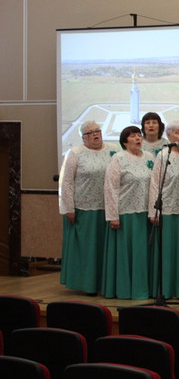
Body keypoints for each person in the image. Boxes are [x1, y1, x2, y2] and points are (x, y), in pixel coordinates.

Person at [59, 121, 119, 294]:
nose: (95, 134)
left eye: (97, 131)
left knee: (105, 248)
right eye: (90, 132)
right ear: (84, 137)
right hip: (85, 208)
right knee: (88, 249)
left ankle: (105, 282)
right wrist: (68, 208)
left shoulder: (113, 149)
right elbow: (67, 182)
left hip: (108, 207)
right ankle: (88, 284)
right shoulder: (76, 153)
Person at [101, 125, 155, 299]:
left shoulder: (149, 157)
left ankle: (143, 289)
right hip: (126, 214)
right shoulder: (118, 159)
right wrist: (113, 216)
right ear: (124, 141)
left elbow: (154, 185)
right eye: (133, 136)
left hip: (145, 213)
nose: (138, 138)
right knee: (127, 255)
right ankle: (125, 290)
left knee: (142, 254)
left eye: (139, 135)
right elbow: (110, 188)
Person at [147, 121, 179, 299]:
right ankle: (166, 289)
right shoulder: (164, 156)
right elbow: (155, 184)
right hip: (168, 208)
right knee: (169, 250)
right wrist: (153, 211)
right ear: (169, 136)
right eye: (177, 133)